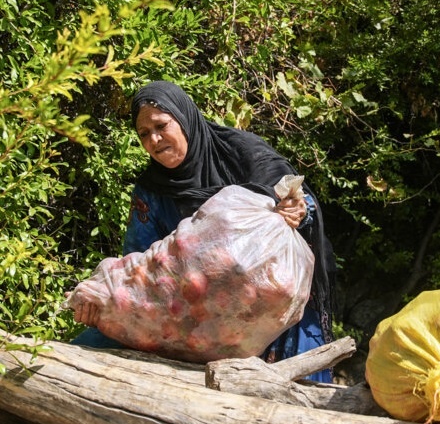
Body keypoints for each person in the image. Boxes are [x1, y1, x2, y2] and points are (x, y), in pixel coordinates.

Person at [73, 80, 337, 382]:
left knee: (299, 391)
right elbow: (137, 263)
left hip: (270, 310)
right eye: (144, 134)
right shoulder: (151, 191)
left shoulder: (241, 154)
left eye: (161, 126)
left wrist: (298, 211)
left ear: (184, 119)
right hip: (192, 316)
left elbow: (297, 197)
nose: (155, 140)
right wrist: (105, 299)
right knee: (87, 354)